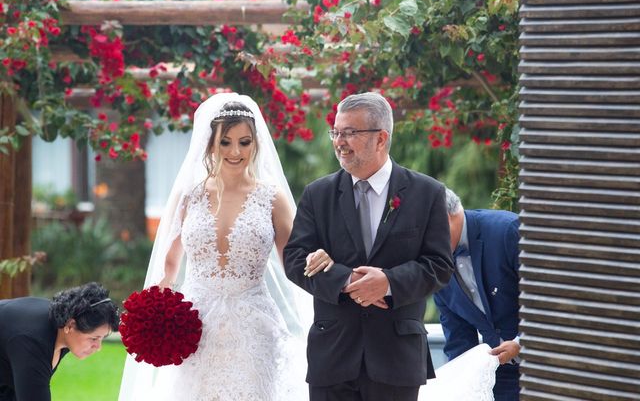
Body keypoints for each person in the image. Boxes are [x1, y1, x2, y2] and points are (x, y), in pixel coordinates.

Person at [118, 93, 312, 401]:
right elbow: (168, 266)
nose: (235, 151)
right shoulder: (188, 195)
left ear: (256, 144)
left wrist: (326, 262)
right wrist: (152, 317)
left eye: (244, 142)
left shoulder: (273, 198)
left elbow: (296, 263)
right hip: (195, 325)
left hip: (253, 327)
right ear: (210, 143)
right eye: (226, 142)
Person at [283, 92, 455, 401]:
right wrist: (346, 281)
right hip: (332, 356)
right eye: (335, 132)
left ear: (381, 138)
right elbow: (295, 260)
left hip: (396, 358)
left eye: (350, 132)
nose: (339, 141)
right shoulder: (317, 195)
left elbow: (439, 266)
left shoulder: (427, 193)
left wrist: (389, 283)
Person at [433, 188, 520, 400]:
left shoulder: (507, 231)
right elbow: (458, 339)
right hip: (495, 376)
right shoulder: (434, 266)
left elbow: (550, 300)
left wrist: (521, 343)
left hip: (548, 365)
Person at [0, 282, 119, 401]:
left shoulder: (63, 324)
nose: (98, 347)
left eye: (102, 338)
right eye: (94, 338)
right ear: (71, 325)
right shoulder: (34, 344)